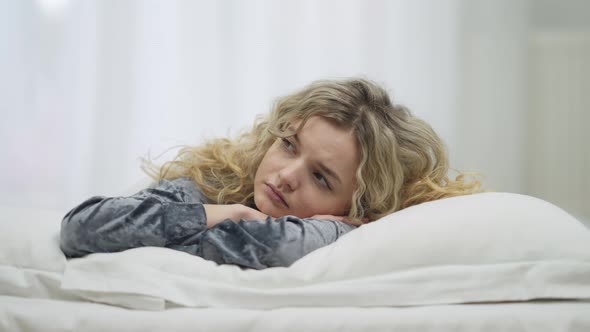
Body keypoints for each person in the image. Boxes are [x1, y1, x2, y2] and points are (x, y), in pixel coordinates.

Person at [60, 78, 481, 269]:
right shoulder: (208, 182)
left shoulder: (348, 232)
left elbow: (278, 249)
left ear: (358, 205)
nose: (284, 175)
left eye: (321, 177)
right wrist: (232, 214)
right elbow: (83, 229)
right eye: (288, 145)